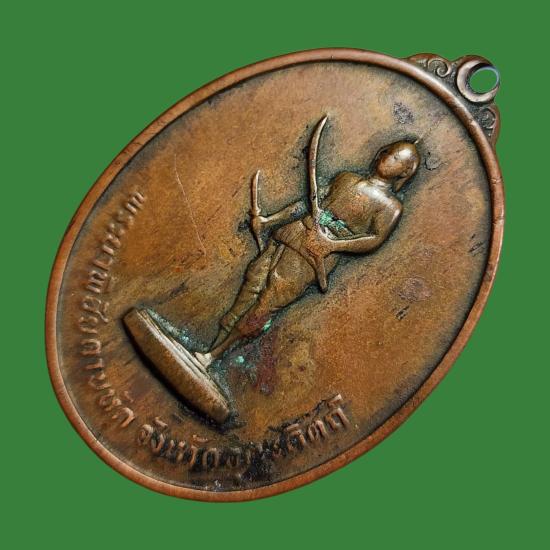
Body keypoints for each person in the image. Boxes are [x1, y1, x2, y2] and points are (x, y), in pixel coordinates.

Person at [195, 140, 420, 368]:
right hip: (292, 234)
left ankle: (215, 355)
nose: (386, 157)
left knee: (266, 303)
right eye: (387, 152)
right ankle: (214, 345)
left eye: (395, 158)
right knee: (252, 282)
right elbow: (308, 204)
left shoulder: (390, 206)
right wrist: (268, 221)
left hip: (313, 256)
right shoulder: (346, 179)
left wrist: (332, 245)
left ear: (405, 172)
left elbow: (374, 239)